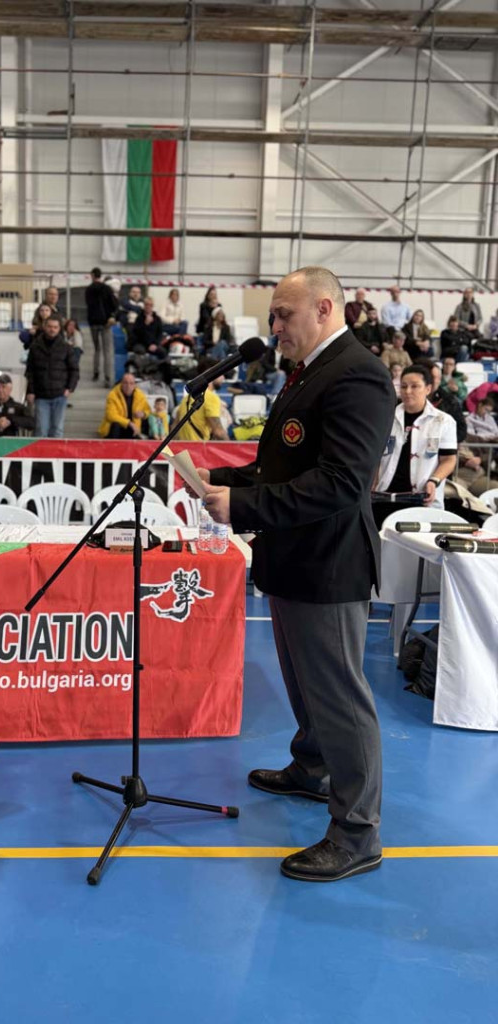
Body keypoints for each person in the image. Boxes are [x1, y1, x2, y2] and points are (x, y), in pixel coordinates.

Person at [197, 266, 396, 883]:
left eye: (284, 314)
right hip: (293, 559)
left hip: (328, 565)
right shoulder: (309, 372)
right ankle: (312, 768)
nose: (275, 326)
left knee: (340, 698)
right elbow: (283, 466)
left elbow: (340, 482)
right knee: (306, 687)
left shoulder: (357, 374)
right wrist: (221, 480)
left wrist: (243, 507)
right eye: (273, 316)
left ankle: (357, 833)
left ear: (325, 308)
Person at [374, 364, 458, 525]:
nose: (408, 391)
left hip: (421, 499)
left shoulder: (443, 421)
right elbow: (376, 456)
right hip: (384, 497)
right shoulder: (386, 416)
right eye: (403, 386)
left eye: (415, 386)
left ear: (428, 389)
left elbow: (448, 460)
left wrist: (434, 480)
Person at [25, 315, 78, 438]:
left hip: (60, 395)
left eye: (55, 327)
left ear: (59, 329)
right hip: (41, 396)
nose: (52, 329)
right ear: (44, 327)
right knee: (41, 431)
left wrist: (70, 388)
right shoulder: (35, 347)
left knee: (57, 431)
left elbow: (74, 370)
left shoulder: (66, 348)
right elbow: (30, 371)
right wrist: (30, 391)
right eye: (49, 326)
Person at [173, 357, 227, 442]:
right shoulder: (211, 397)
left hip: (184, 448)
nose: (223, 378)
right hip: (199, 448)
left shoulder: (185, 399)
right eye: (221, 374)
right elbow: (218, 432)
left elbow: (174, 430)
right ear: (212, 373)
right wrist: (233, 447)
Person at [84, 267, 118, 385]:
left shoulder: (88, 289)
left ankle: (96, 373)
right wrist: (111, 316)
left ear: (92, 275)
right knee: (107, 351)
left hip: (93, 322)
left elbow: (88, 305)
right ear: (100, 275)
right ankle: (107, 377)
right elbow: (114, 304)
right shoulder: (107, 289)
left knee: (97, 348)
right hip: (106, 323)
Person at [98, 373, 151, 438]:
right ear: (121, 383)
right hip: (118, 428)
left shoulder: (140, 395)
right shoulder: (112, 395)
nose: (128, 386)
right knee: (116, 424)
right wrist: (129, 423)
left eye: (131, 383)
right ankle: (114, 443)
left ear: (135, 385)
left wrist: (143, 414)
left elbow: (148, 410)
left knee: (150, 419)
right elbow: (110, 415)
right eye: (125, 383)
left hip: (133, 427)